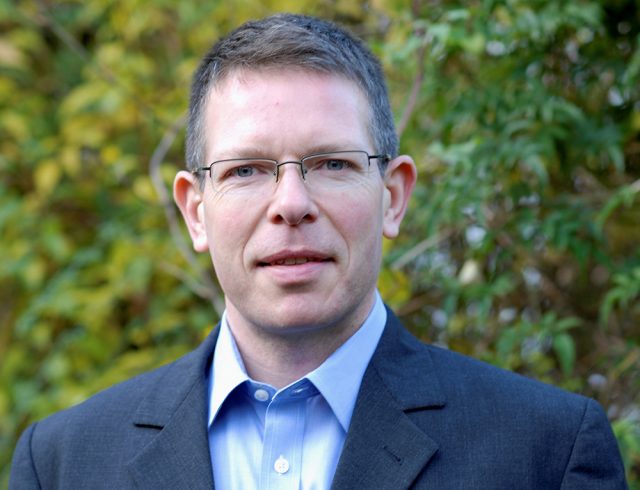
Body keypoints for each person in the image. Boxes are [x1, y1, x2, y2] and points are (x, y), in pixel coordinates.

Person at [10, 13, 627, 490]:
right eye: (247, 170)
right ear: (196, 211)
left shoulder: (547, 453)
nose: (291, 203)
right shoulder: (63, 463)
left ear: (392, 196)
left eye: (332, 163)